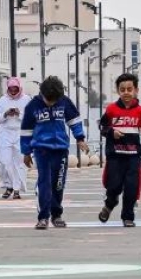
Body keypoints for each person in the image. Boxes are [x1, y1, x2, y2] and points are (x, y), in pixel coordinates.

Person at [21, 76, 89, 230]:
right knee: (44, 182)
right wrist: (26, 152)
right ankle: (43, 217)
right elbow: (26, 130)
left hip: (61, 149)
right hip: (41, 149)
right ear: (41, 93)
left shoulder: (64, 102)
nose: (51, 103)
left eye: (54, 101)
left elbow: (74, 120)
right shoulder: (33, 106)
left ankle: (56, 214)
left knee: (58, 184)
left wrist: (80, 138)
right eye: (48, 100)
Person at [98, 73, 141, 227]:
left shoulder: (140, 112)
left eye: (129, 89)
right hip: (115, 156)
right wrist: (112, 132)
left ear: (136, 90)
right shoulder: (111, 109)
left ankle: (128, 216)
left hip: (133, 157)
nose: (126, 92)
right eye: (122, 89)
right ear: (118, 91)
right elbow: (102, 126)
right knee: (113, 186)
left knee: (132, 188)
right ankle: (109, 205)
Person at [0, 77, 32, 199]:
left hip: (20, 133)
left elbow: (31, 117)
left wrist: (18, 114)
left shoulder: (26, 99)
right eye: (11, 88)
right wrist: (5, 114)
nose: (13, 91)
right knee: (4, 162)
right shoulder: (3, 100)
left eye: (16, 88)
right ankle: (8, 185)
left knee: (19, 163)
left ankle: (16, 189)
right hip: (4, 133)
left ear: (19, 88)